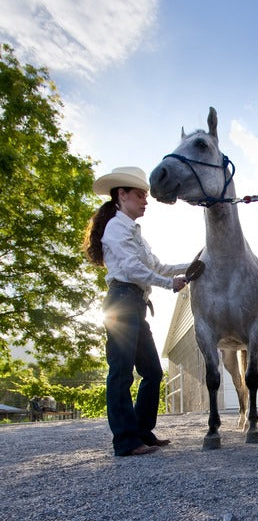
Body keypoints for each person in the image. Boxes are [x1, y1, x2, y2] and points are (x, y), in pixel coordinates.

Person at [83, 166, 188, 456]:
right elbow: (131, 269)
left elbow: (157, 266)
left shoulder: (135, 232)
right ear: (122, 195)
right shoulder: (116, 227)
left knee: (153, 371)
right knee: (121, 372)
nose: (145, 201)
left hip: (136, 305)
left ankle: (142, 431)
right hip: (121, 301)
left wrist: (190, 265)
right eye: (140, 195)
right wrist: (169, 284)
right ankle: (125, 441)